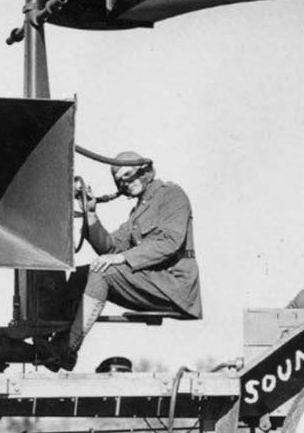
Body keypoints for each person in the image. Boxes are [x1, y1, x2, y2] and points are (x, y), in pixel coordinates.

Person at [54, 152, 201, 370]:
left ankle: (66, 349)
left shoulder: (171, 194)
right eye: (120, 180)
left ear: (146, 172)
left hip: (174, 284)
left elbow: (170, 242)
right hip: (153, 281)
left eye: (129, 175)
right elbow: (111, 246)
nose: (125, 183)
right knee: (81, 275)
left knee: (102, 272)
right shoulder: (139, 210)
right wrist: (91, 213)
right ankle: (54, 344)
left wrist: (121, 258)